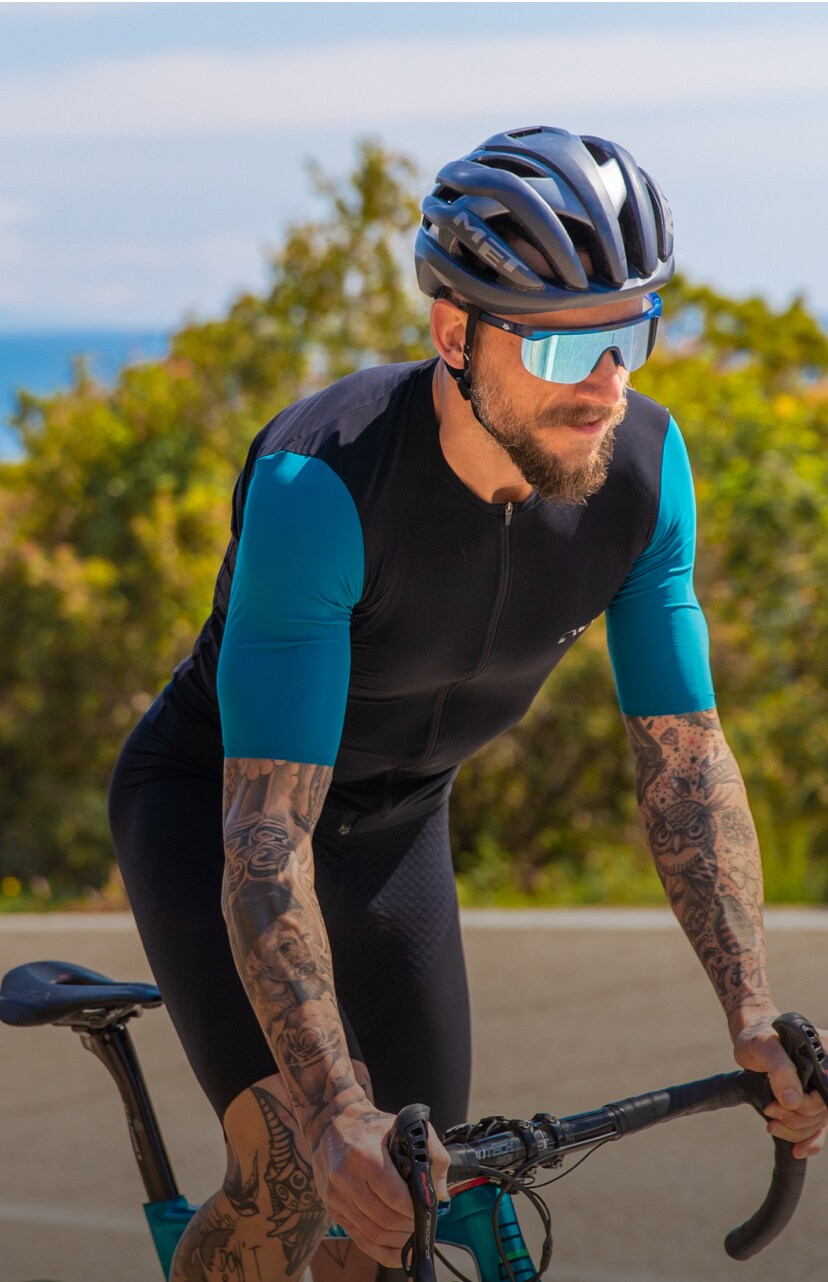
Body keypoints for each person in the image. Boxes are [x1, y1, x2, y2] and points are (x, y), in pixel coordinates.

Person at [109, 126, 828, 1282]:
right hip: (219, 811)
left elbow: (685, 761)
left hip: (399, 824)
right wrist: (330, 1109)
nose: (608, 384)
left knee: (399, 1206)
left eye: (630, 333)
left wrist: (753, 1012)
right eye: (566, 345)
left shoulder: (645, 474)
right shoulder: (320, 487)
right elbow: (267, 836)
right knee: (296, 1172)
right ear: (455, 335)